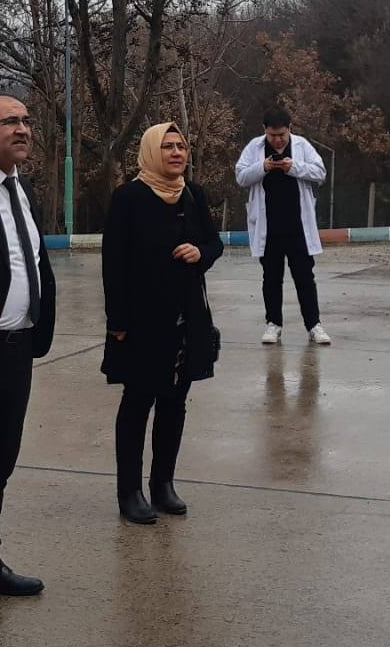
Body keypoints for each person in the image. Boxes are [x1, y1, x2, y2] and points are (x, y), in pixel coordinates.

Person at [102, 122, 223, 524]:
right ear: (152, 152)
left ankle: (162, 484)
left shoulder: (193, 194)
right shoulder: (129, 198)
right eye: (168, 146)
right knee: (138, 402)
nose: (176, 153)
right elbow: (113, 263)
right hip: (142, 319)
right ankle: (129, 492)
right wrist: (117, 321)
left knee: (175, 401)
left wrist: (200, 253)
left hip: (187, 316)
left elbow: (215, 243)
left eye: (181, 146)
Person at [0, 94, 57, 603]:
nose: (24, 129)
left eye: (27, 121)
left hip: (19, 348)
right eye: (12, 122)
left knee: (0, 463)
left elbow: (32, 260)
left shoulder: (22, 188)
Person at [234, 107, 331, 347]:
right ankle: (273, 324)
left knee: (305, 277)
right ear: (265, 131)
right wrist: (263, 167)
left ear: (290, 129)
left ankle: (314, 325)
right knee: (271, 277)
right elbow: (241, 176)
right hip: (268, 227)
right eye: (273, 135)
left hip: (298, 226)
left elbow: (320, 172)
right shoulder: (255, 147)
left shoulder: (302, 146)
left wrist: (294, 167)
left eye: (282, 135)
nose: (278, 140)